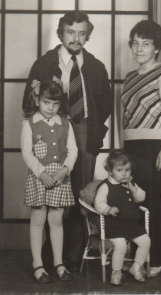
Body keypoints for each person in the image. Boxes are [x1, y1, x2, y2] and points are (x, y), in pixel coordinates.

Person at [22, 11, 113, 270]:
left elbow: (105, 104)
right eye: (70, 32)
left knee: (79, 194)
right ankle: (47, 258)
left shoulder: (95, 66)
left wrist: (90, 126)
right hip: (52, 130)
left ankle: (71, 257)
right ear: (60, 33)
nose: (76, 38)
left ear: (88, 36)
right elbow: (28, 103)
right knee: (50, 193)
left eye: (82, 33)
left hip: (83, 129)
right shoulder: (44, 64)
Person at [121, 20, 161, 276]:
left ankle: (157, 258)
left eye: (145, 43)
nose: (139, 48)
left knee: (155, 203)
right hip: (132, 148)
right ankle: (139, 258)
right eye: (135, 43)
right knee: (135, 203)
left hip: (157, 147)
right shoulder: (130, 77)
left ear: (156, 48)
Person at [21, 80, 78, 283]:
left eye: (55, 103)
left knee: (56, 221)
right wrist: (41, 173)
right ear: (37, 100)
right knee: (38, 221)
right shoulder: (29, 124)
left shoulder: (66, 124)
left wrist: (65, 170)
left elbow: (73, 151)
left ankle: (58, 263)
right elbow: (27, 153)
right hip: (39, 177)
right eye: (46, 103)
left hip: (60, 177)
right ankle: (38, 264)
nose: (51, 108)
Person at [94, 150, 151, 285]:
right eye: (119, 170)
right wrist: (108, 209)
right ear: (110, 171)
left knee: (146, 241)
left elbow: (141, 198)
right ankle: (116, 271)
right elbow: (98, 203)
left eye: (127, 170)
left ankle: (136, 266)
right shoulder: (106, 186)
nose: (124, 174)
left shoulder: (130, 184)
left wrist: (133, 189)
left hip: (131, 224)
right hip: (114, 224)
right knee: (121, 246)